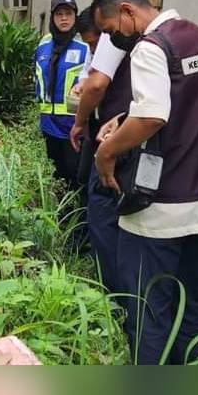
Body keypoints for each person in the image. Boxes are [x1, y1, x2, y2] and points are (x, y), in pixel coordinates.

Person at [91, 0, 198, 365]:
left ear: (127, 11)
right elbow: (185, 107)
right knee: (190, 305)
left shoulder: (151, 48)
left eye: (110, 30)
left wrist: (106, 154)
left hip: (162, 214)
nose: (113, 38)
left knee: (149, 312)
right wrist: (123, 119)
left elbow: (153, 116)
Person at [68, 24, 132, 295]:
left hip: (115, 141)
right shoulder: (154, 41)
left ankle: (114, 295)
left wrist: (80, 121)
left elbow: (96, 85)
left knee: (104, 213)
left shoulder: (113, 35)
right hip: (129, 133)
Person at [33, 0, 89, 195]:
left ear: (75, 17)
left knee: (77, 177)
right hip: (48, 125)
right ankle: (61, 220)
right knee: (57, 177)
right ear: (52, 18)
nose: (64, 18)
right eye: (59, 14)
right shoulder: (42, 47)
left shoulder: (85, 48)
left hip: (75, 127)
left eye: (68, 14)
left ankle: (78, 223)